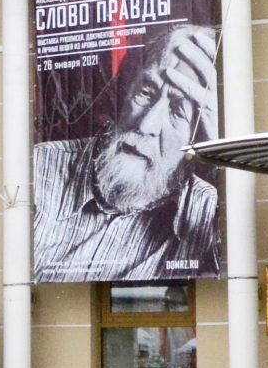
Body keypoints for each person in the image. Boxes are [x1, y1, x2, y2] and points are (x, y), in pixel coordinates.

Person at [33, 22, 220, 281]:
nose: (146, 124)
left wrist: (221, 159)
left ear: (200, 133)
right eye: (146, 92)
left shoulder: (211, 208)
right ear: (125, 90)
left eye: (178, 110)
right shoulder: (39, 169)